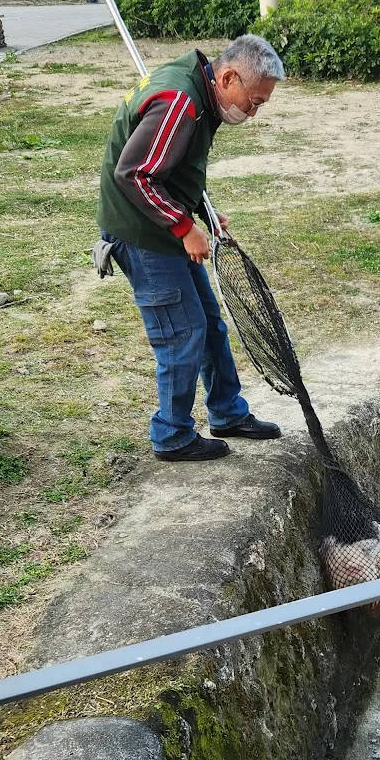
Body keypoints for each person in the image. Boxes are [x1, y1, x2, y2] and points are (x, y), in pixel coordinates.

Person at [96, 34, 285, 461]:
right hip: (142, 234)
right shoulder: (181, 102)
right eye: (253, 101)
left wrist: (202, 211)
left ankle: (227, 413)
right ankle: (172, 435)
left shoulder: (202, 94)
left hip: (162, 224)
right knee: (182, 332)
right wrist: (183, 227)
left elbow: (175, 165)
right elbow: (135, 175)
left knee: (209, 324)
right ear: (229, 76)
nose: (252, 113)